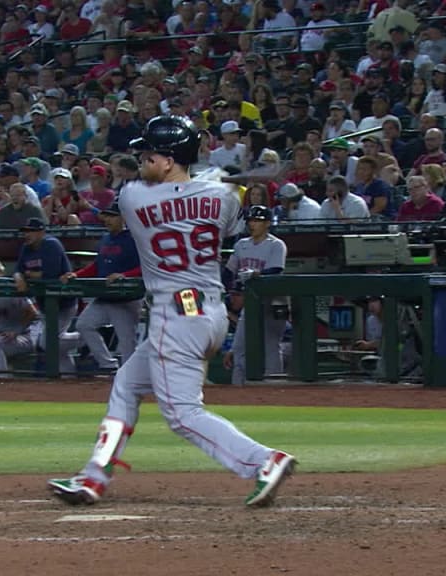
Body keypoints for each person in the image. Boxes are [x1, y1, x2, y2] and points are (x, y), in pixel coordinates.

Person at [47, 116, 295, 507]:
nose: (141, 160)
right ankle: (94, 476)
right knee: (127, 384)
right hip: (209, 314)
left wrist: (211, 177)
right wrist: (221, 177)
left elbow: (168, 191)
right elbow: (224, 213)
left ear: (168, 159)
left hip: (174, 314)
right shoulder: (224, 195)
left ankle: (263, 460)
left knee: (181, 414)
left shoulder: (132, 197)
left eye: (149, 154)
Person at [60, 204, 142, 372]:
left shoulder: (134, 238)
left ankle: (130, 377)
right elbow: (98, 265)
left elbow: (146, 266)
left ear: (123, 218)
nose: (108, 220)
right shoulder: (106, 238)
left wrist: (124, 275)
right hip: (104, 296)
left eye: (113, 216)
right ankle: (108, 365)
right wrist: (77, 274)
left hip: (126, 299)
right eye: (107, 216)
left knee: (127, 342)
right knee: (84, 324)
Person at [222, 205, 289, 386]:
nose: (253, 224)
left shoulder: (276, 245)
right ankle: (238, 388)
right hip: (250, 303)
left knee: (271, 345)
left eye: (258, 221)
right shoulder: (241, 245)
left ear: (268, 223)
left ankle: (274, 387)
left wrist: (256, 274)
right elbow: (228, 273)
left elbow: (276, 270)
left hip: (273, 302)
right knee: (239, 348)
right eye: (251, 220)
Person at [14, 217, 81, 374]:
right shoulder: (26, 248)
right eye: (25, 231)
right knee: (56, 346)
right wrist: (19, 277)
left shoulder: (51, 244)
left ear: (41, 232)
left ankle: (84, 337)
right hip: (45, 304)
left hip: (64, 302)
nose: (27, 235)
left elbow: (51, 274)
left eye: (31, 231)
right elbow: (17, 269)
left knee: (47, 342)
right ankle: (68, 375)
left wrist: (29, 274)